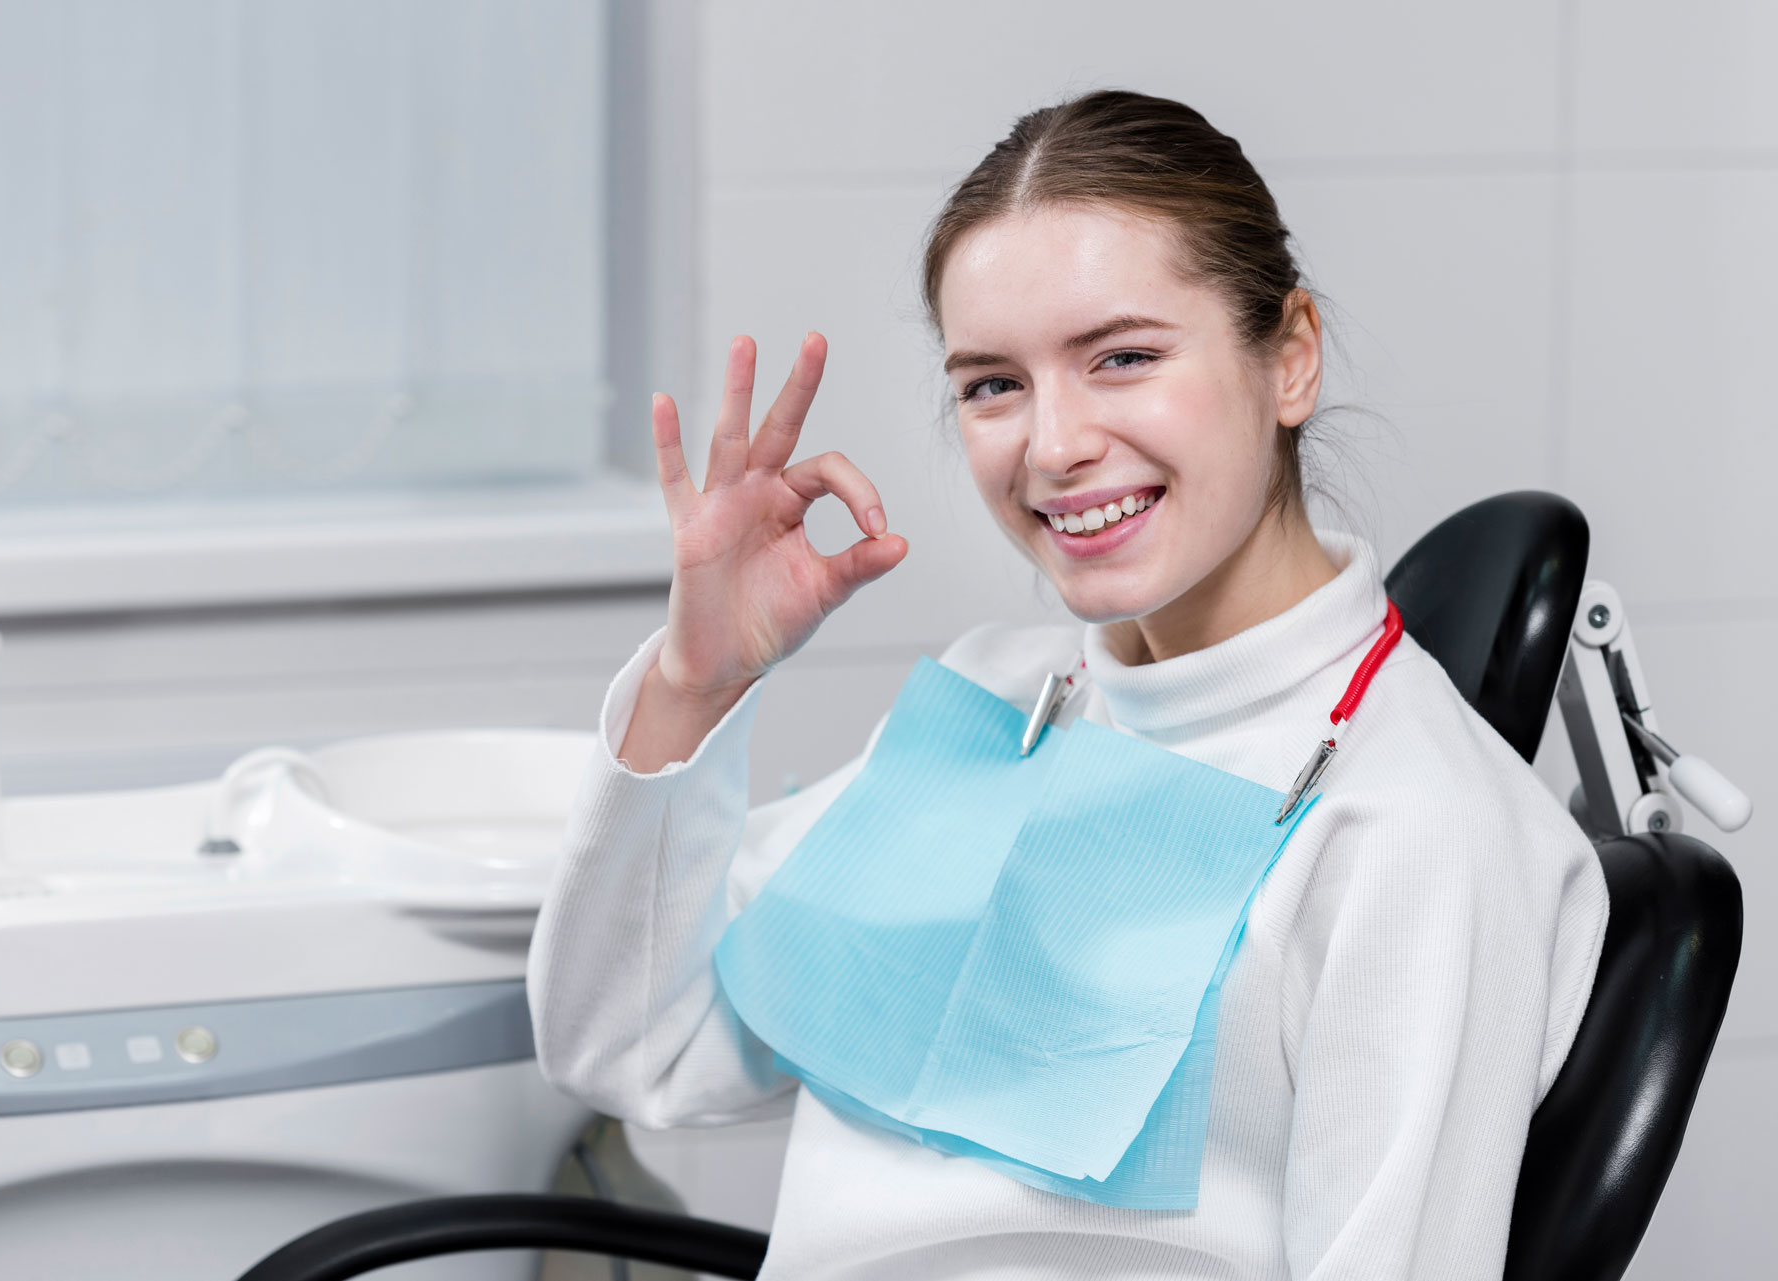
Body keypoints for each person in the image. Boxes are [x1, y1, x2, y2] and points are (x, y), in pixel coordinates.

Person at [527, 90, 1608, 1280]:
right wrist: (698, 678)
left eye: (1124, 358)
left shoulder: (1415, 829)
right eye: (994, 384)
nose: (1052, 447)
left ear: (1289, 357)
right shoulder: (998, 696)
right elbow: (638, 1050)